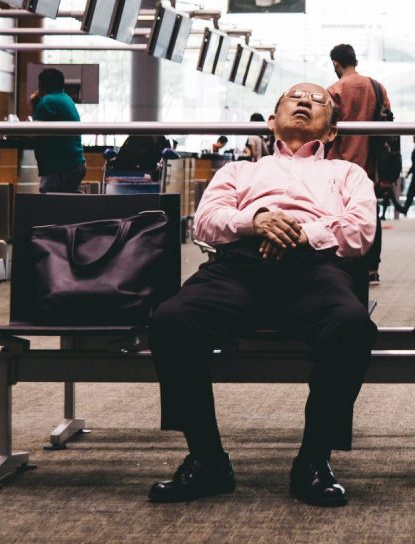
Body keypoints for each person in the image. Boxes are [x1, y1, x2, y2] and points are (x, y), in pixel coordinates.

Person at [148, 82, 378, 507]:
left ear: (331, 132)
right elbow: (206, 222)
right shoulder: (239, 172)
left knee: (352, 326)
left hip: (314, 268)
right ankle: (207, 459)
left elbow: (360, 231)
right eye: (295, 97)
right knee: (171, 320)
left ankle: (313, 460)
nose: (305, 102)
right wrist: (256, 221)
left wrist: (300, 233)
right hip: (240, 267)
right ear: (272, 121)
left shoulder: (348, 174)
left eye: (318, 101)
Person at [326, 43, 390, 285]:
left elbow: (325, 128)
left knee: (340, 214)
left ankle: (345, 265)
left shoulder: (334, 90)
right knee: (370, 211)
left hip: (340, 164)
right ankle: (372, 268)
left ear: (336, 63)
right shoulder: (377, 87)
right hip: (370, 164)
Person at [31, 68, 86, 194]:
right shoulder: (66, 99)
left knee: (51, 203)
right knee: (67, 201)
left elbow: (33, 131)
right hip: (75, 162)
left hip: (59, 166)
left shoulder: (47, 101)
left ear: (41, 85)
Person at [400, 135, 415, 215]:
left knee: (411, 193)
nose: (413, 139)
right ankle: (405, 209)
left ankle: (405, 209)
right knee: (411, 193)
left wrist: (408, 173)